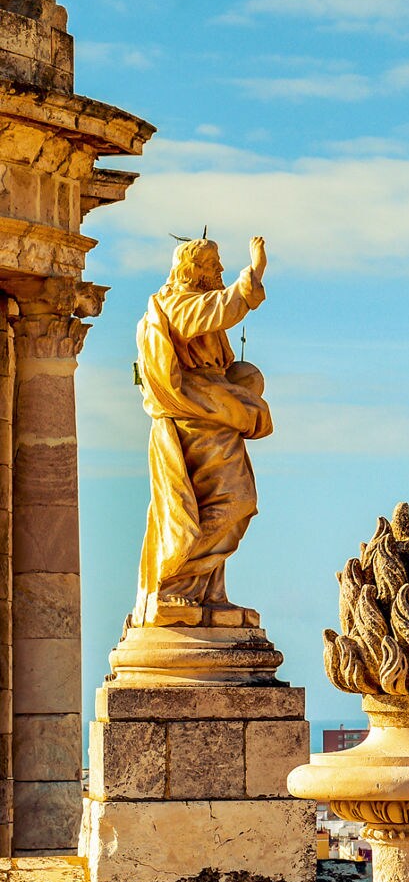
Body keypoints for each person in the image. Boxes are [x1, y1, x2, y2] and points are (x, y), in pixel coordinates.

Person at [132, 235, 272, 627]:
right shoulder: (179, 305)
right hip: (200, 415)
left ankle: (206, 593)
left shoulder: (189, 306)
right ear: (195, 270)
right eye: (215, 266)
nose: (221, 272)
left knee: (218, 501)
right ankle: (176, 582)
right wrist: (254, 272)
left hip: (217, 411)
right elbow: (224, 306)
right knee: (234, 500)